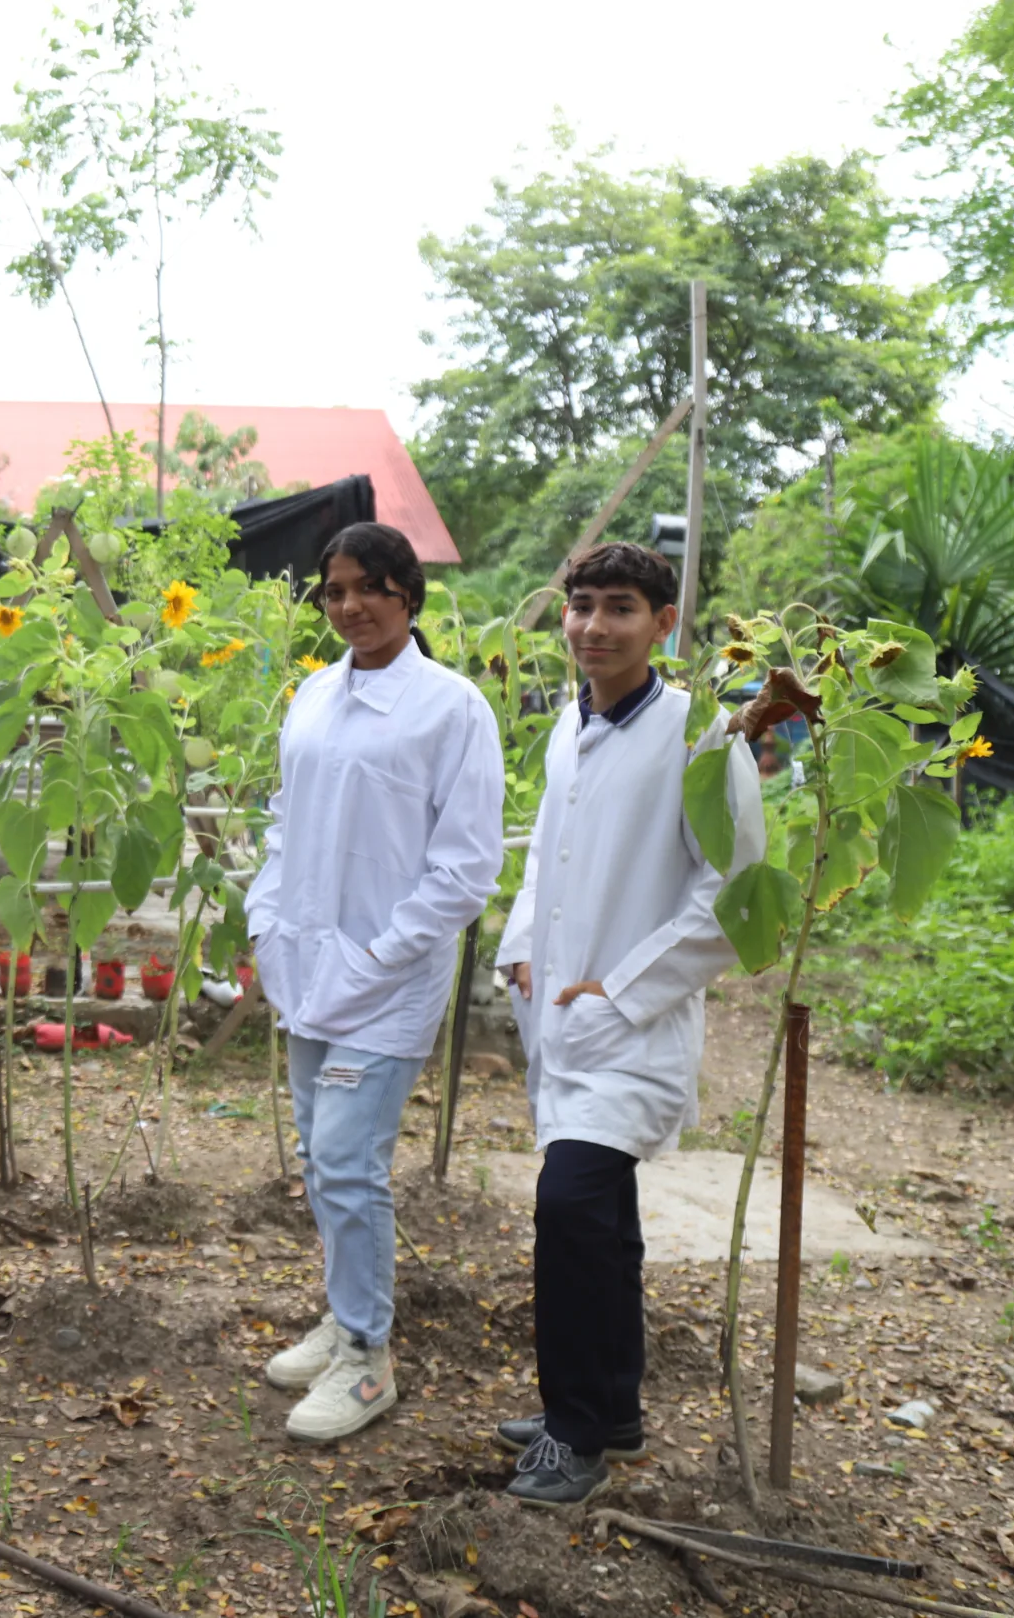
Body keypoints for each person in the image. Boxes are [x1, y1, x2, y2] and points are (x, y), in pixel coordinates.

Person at [492, 541, 768, 1508]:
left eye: (619, 608)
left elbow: (735, 889)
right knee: (603, 1223)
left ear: (665, 624)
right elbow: (544, 859)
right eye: (580, 607)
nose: (594, 626)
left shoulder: (704, 737)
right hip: (562, 1015)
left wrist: (621, 990)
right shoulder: (570, 725)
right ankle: (612, 1408)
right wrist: (522, 945)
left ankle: (573, 1434)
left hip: (630, 1029)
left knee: (568, 1208)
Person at [246, 523, 504, 1443]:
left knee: (352, 1162)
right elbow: (285, 818)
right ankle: (343, 1312)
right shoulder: (315, 693)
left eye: (370, 588)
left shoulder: (451, 707)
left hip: (384, 983)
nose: (350, 606)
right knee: (322, 1158)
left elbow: (466, 866)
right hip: (308, 967)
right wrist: (264, 915)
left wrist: (381, 953)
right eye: (335, 591)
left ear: (408, 593)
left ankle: (367, 1357)